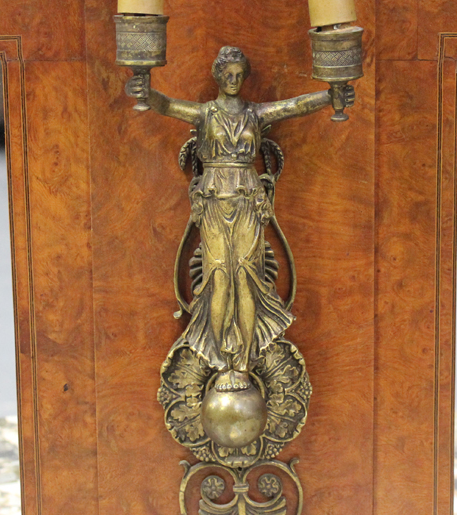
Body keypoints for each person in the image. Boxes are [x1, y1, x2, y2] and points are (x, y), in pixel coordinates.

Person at [128, 46, 354, 393]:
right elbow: (169, 106)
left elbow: (293, 107)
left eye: (238, 75)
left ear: (244, 77)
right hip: (215, 199)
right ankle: (222, 360)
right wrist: (146, 90)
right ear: (217, 76)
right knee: (218, 277)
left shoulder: (254, 113)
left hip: (248, 198)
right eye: (227, 75)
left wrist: (330, 95)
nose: (233, 81)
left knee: (247, 277)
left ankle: (245, 360)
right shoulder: (206, 114)